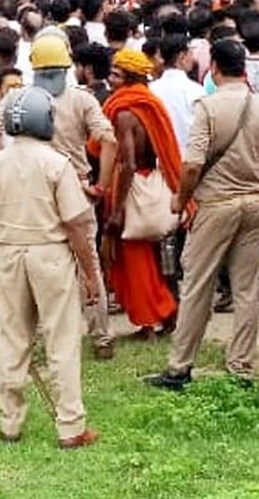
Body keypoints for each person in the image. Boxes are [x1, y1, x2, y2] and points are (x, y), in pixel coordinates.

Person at [0, 86, 102, 449]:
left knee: (12, 340)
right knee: (61, 341)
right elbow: (76, 224)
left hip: (9, 256)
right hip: (50, 256)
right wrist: (90, 273)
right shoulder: (56, 164)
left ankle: (10, 424)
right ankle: (70, 426)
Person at [0, 33, 118, 359]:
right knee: (89, 263)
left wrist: (8, 160)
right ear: (68, 65)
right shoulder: (82, 99)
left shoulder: (17, 99)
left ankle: (41, 338)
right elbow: (109, 140)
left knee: (39, 262)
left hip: (31, 189)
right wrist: (101, 185)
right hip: (78, 186)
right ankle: (101, 339)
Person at [146, 39, 259, 389]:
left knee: (198, 284)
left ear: (213, 67)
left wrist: (180, 199)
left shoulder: (209, 107)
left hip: (216, 204)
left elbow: (192, 165)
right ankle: (241, 366)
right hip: (253, 202)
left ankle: (179, 366)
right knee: (247, 288)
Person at [98, 49, 179, 337]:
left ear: (130, 78)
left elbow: (129, 162)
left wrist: (118, 209)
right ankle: (163, 314)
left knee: (136, 258)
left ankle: (153, 317)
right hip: (149, 182)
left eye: (116, 75)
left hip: (130, 186)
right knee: (152, 256)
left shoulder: (123, 112)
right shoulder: (150, 104)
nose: (110, 79)